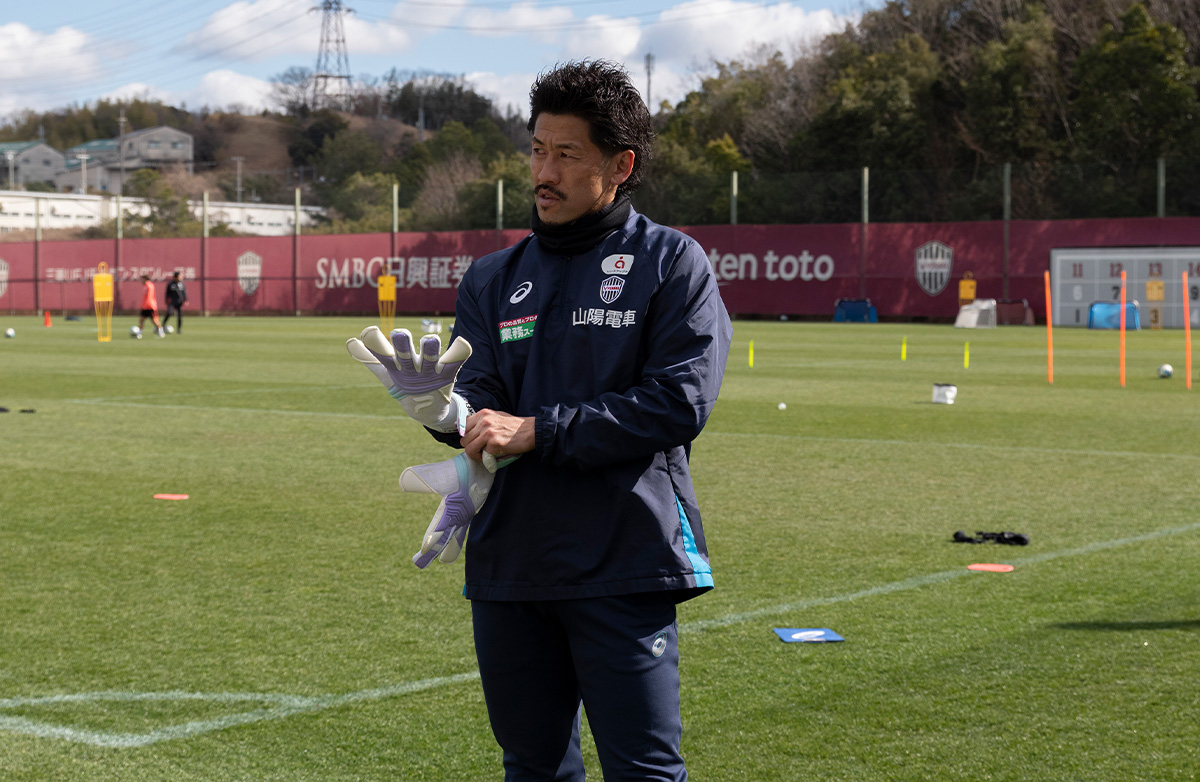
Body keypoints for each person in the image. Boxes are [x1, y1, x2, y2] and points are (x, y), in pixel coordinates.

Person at [347, 59, 730, 781]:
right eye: (536, 149)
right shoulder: (493, 277)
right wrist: (442, 410)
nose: (543, 171)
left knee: (644, 771)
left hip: (623, 559)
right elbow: (481, 409)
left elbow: (681, 401)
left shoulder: (672, 262)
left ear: (620, 165)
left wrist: (540, 430)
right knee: (532, 767)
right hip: (511, 565)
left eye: (566, 154)